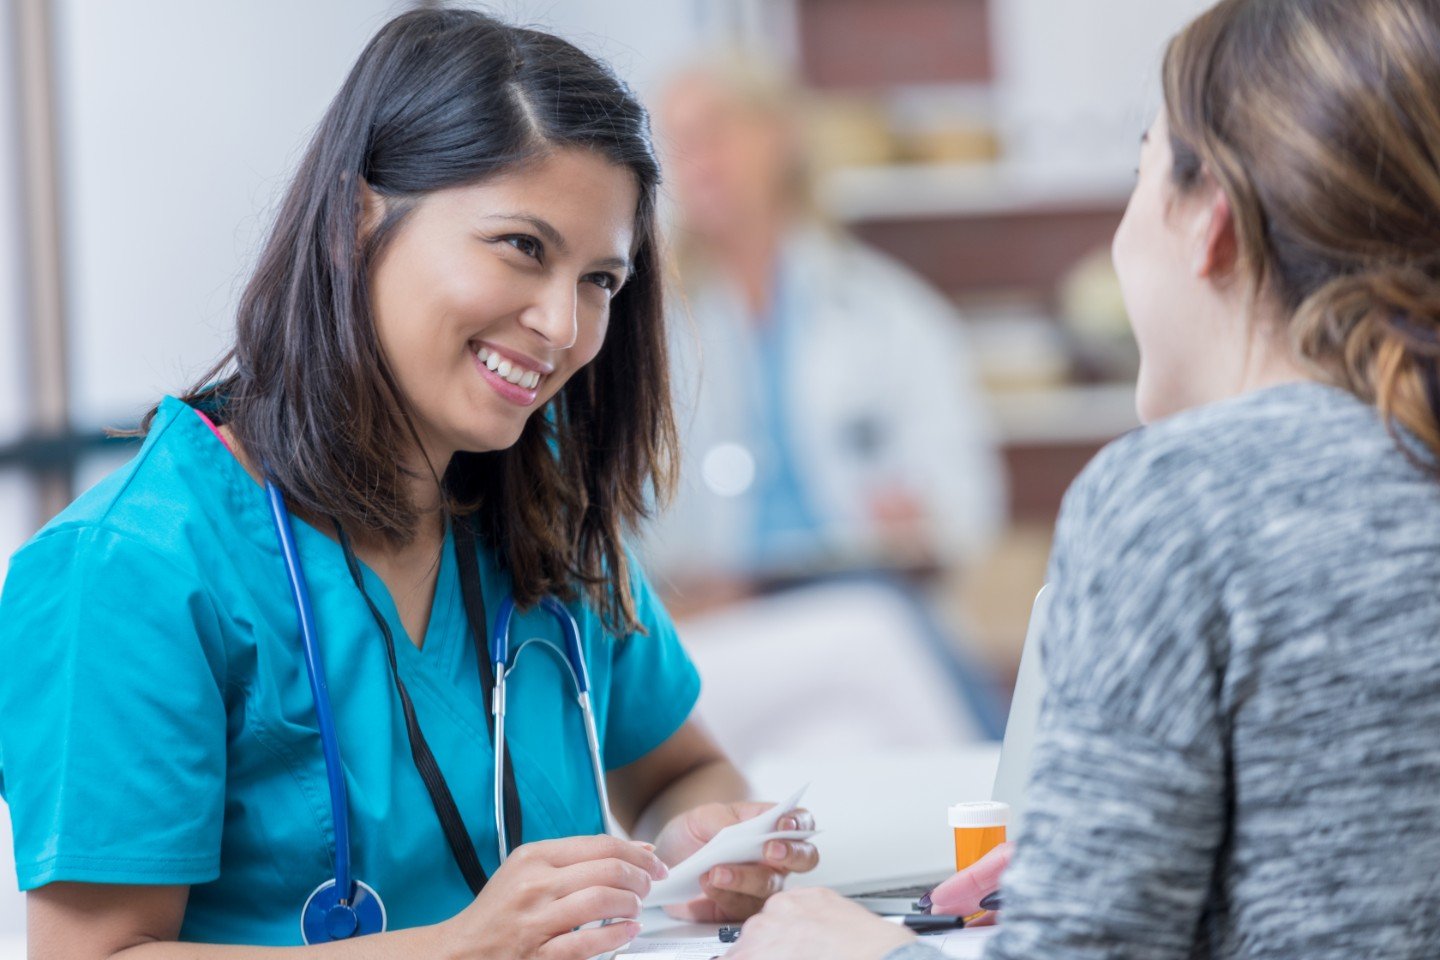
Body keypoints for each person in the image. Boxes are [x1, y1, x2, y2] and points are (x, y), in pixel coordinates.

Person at [0, 11, 817, 958]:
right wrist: (461, 946)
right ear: (358, 221)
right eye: (522, 246)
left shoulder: (544, 519)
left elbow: (680, 769)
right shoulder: (129, 571)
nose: (561, 324)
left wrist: (696, 840)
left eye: (600, 279)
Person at [726, 0, 1440, 956]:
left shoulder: (1180, 495)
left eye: (1140, 174)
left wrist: (860, 951)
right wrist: (1119, 862)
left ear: (1208, 222)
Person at [648, 57, 1005, 603]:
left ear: (782, 137)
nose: (694, 159)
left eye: (714, 130)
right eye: (676, 140)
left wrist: (921, 522)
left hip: (856, 589)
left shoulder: (890, 310)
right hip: (705, 611)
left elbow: (968, 499)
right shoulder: (643, 324)